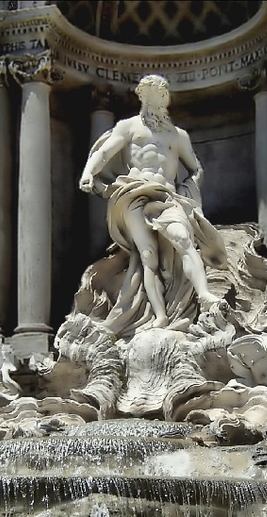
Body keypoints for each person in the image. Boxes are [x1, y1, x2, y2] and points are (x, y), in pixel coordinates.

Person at [78, 74, 228, 332]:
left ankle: (203, 294)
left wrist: (189, 190)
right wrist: (88, 173)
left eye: (159, 94)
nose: (155, 100)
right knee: (148, 256)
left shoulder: (178, 135)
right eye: (149, 94)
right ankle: (159, 316)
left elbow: (195, 168)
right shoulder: (129, 127)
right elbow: (104, 152)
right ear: (142, 97)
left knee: (183, 240)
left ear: (165, 99)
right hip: (134, 193)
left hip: (168, 196)